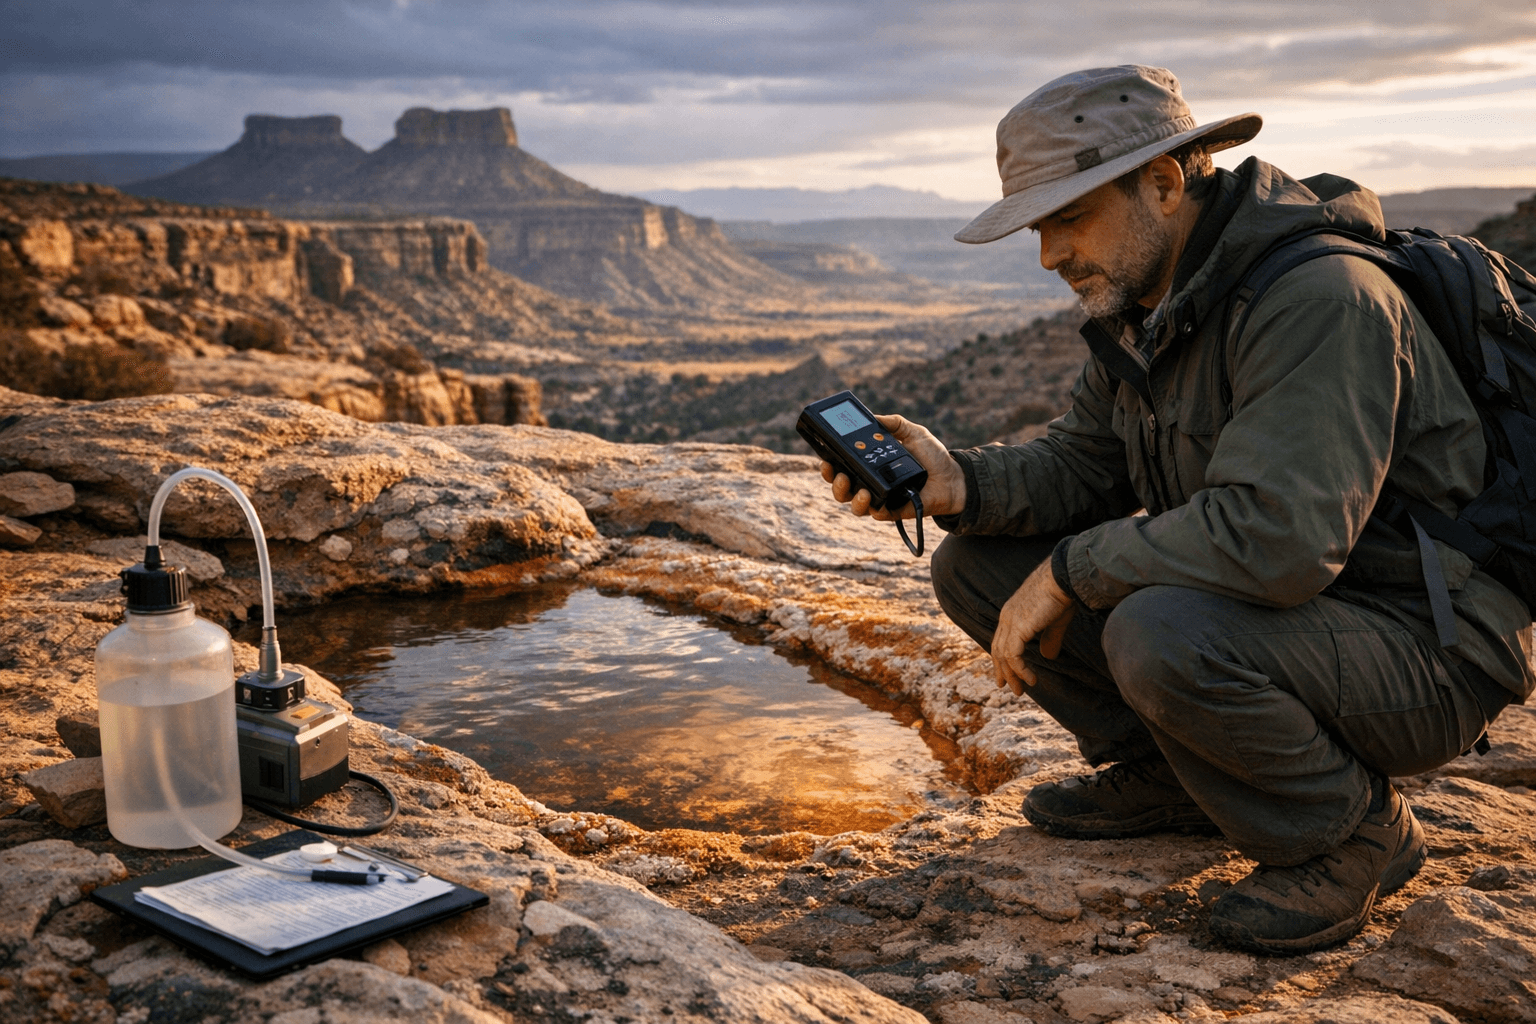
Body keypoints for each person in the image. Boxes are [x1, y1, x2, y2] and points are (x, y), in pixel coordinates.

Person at [820, 64, 1533, 955]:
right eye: (1040, 227)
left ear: (1162, 182)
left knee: (1158, 628)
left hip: (1426, 645)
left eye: (1068, 218)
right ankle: (1176, 778)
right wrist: (958, 480)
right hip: (1298, 623)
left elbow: (1281, 538)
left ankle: (1354, 833)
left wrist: (1074, 570)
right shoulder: (1147, 304)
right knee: (974, 566)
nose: (1049, 256)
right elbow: (1085, 463)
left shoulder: (1319, 299)